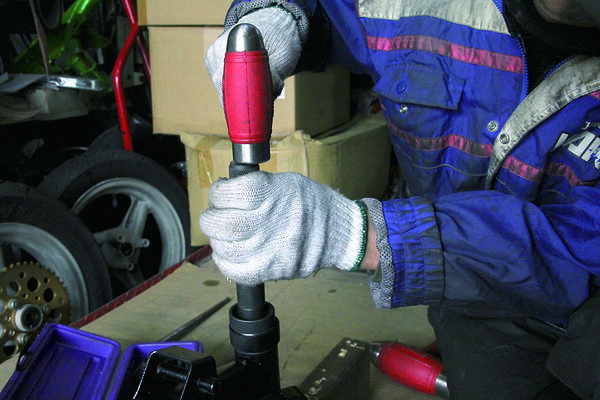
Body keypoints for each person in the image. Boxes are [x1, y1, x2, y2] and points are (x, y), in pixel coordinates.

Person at [201, 1, 600, 398]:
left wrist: (361, 236)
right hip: (473, 296)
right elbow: (335, 11)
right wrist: (284, 14)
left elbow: (582, 247)